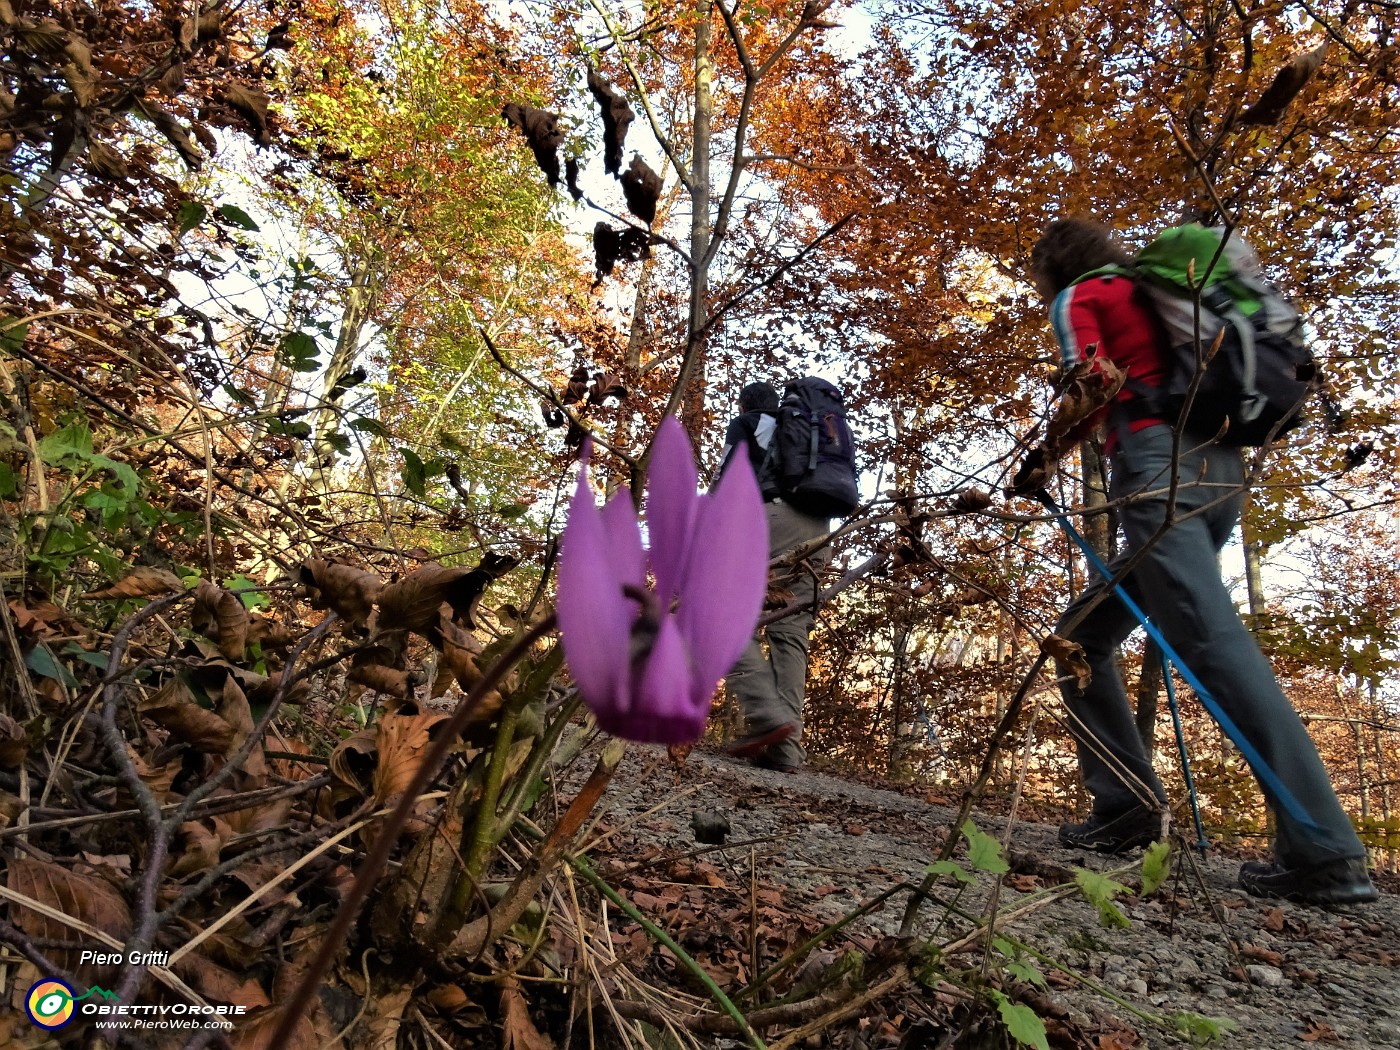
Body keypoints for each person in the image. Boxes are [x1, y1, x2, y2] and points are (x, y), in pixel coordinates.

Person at [1021, 217, 1375, 906]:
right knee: (1081, 637)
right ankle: (1125, 807)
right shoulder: (1157, 292)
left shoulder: (1082, 296)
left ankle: (1325, 849)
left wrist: (1040, 461)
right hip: (1218, 474)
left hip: (1158, 474)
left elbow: (1093, 382)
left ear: (1051, 265)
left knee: (1212, 643)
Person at [717, 381, 833, 773]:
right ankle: (786, 750)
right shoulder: (806, 431)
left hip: (768, 519)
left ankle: (767, 717)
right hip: (819, 529)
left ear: (745, 403)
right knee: (790, 632)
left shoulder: (748, 423)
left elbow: (729, 475)